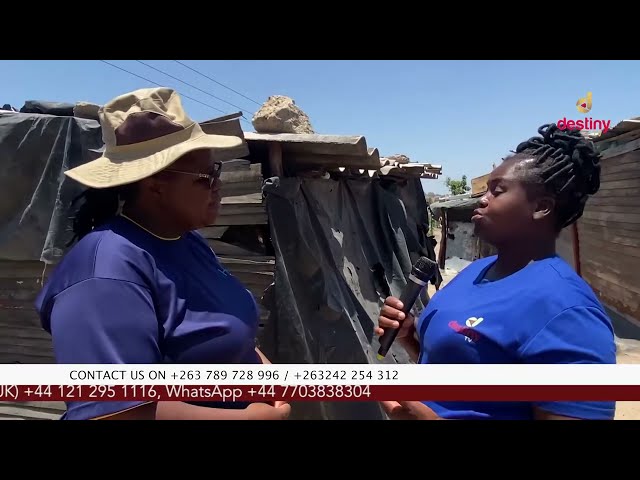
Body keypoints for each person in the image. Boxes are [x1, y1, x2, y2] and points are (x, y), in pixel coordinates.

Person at [35, 87, 291, 421]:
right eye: (206, 177)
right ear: (155, 185)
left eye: (217, 172)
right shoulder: (105, 272)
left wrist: (266, 376)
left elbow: (226, 334)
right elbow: (115, 410)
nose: (219, 184)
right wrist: (250, 417)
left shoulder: (185, 242)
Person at [375, 123, 616, 420]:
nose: (482, 198)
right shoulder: (474, 272)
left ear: (541, 207)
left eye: (497, 190)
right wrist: (411, 338)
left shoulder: (568, 311)